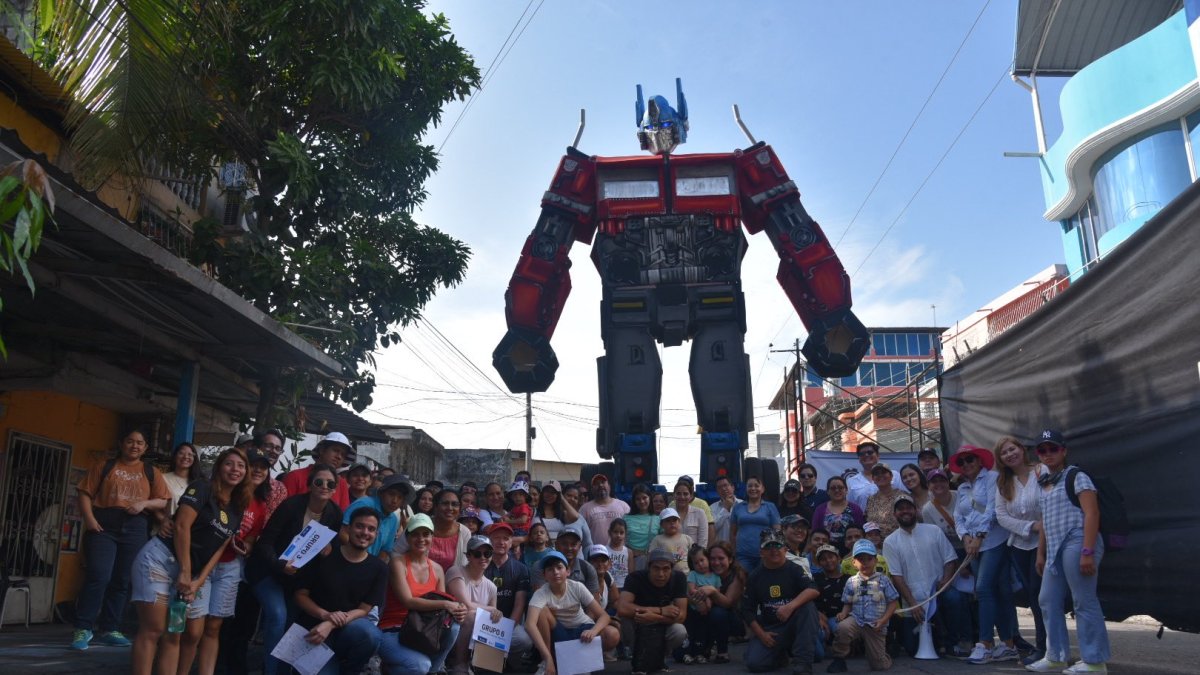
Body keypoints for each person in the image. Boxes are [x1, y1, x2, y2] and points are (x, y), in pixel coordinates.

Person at [130, 448, 248, 675]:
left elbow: (219, 548)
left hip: (191, 573)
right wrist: (185, 571)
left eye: (241, 466)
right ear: (218, 467)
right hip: (161, 561)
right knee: (153, 629)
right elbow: (182, 526)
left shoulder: (237, 507)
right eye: (229, 464)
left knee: (175, 632)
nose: (235, 470)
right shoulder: (202, 488)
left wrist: (197, 580)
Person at [72, 428, 171, 651]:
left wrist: (144, 504)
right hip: (104, 524)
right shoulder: (104, 466)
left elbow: (163, 500)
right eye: (130, 441)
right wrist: (89, 519)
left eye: (139, 443)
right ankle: (83, 627)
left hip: (136, 526)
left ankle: (110, 628)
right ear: (121, 444)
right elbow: (84, 492)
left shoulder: (150, 471)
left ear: (145, 447)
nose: (134, 446)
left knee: (122, 579)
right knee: (99, 575)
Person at [246, 464, 343, 675]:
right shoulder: (292, 506)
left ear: (335, 489)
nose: (324, 486)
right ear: (310, 485)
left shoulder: (335, 514)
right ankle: (271, 671)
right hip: (267, 572)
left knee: (291, 626)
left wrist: (329, 548)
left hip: (297, 580)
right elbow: (265, 543)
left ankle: (280, 669)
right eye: (319, 482)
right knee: (278, 616)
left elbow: (333, 547)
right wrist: (279, 564)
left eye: (330, 483)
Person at [1029, 429, 1111, 674]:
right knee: (1047, 599)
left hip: (1077, 541)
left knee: (1083, 600)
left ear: (1063, 451)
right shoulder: (1044, 482)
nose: (1048, 454)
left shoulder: (1077, 476)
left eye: (1053, 448)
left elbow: (1092, 513)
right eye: (1042, 450)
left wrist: (1087, 550)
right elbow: (1044, 521)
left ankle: (1095, 661)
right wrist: (1040, 553)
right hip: (1054, 547)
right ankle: (1055, 655)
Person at [294, 507, 386, 675]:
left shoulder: (379, 568)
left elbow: (364, 609)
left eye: (371, 529)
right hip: (315, 628)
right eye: (359, 526)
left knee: (371, 635)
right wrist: (324, 616)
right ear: (348, 528)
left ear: (377, 534)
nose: (365, 532)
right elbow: (300, 595)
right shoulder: (324, 555)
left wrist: (331, 622)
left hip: (348, 630)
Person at [951, 443, 1020, 665]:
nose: (966, 465)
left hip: (994, 541)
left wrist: (979, 536)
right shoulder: (962, 489)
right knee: (999, 591)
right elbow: (958, 517)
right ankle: (1009, 644)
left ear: (979, 461)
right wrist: (966, 538)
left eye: (970, 459)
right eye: (961, 462)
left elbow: (993, 509)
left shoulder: (992, 479)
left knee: (983, 589)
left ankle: (985, 643)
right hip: (973, 546)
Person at [207, 448, 271, 675]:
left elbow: (252, 537)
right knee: (211, 623)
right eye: (253, 465)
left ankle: (233, 666)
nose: (258, 471)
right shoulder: (226, 494)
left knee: (238, 622)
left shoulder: (261, 504)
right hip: (209, 562)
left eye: (263, 468)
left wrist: (246, 546)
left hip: (239, 566)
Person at [378, 514, 467, 675]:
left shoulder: (437, 569)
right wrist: (447, 604)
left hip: (422, 630)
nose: (421, 539)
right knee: (420, 666)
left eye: (426, 534)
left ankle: (431, 671)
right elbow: (408, 601)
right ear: (407, 537)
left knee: (454, 626)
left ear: (432, 537)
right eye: (415, 534)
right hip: (393, 630)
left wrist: (457, 612)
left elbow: (441, 611)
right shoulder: (398, 563)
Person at [882, 494, 966, 658]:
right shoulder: (890, 542)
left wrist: (946, 582)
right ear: (895, 514)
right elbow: (897, 576)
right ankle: (937, 642)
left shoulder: (933, 531)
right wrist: (913, 604)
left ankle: (955, 642)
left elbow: (950, 559)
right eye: (900, 509)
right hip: (913, 599)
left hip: (939, 593)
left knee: (954, 598)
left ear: (916, 510)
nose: (905, 511)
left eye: (908, 507)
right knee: (912, 648)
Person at [993, 435, 1048, 664]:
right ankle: (1043, 647)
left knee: (1042, 596)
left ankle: (1048, 647)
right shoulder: (1003, 483)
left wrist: (1041, 527)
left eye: (1012, 449)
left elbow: (1050, 501)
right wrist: (1029, 526)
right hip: (1020, 546)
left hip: (1046, 543)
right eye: (1004, 453)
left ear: (1022, 449)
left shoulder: (1041, 470)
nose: (1010, 454)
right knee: (1034, 597)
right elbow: (1002, 516)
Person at [742, 528, 820, 675]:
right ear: (761, 552)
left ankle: (802, 664)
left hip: (797, 626)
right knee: (754, 664)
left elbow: (813, 590)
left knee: (808, 608)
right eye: (768, 547)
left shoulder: (795, 569)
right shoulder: (754, 576)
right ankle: (780, 656)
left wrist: (790, 607)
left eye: (777, 546)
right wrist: (761, 635)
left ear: (785, 550)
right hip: (773, 628)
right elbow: (747, 610)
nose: (774, 550)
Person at [526, 551, 619, 675]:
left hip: (582, 631)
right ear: (544, 575)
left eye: (559, 567)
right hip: (559, 633)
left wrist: (593, 631)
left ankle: (586, 659)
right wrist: (547, 658)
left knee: (612, 634)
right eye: (550, 569)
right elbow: (529, 624)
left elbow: (604, 616)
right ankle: (547, 660)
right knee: (542, 611)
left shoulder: (577, 587)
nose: (555, 572)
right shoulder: (541, 593)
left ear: (567, 571)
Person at [826, 540, 899, 673]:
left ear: (876, 561)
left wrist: (883, 620)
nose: (865, 563)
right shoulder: (851, 581)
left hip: (876, 623)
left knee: (878, 666)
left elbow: (893, 602)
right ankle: (839, 658)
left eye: (869, 559)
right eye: (860, 559)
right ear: (854, 562)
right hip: (857, 619)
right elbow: (848, 601)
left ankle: (883, 657)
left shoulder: (883, 580)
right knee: (842, 627)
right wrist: (843, 613)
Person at [617, 548, 689, 674]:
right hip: (638, 622)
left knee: (679, 630)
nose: (661, 574)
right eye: (656, 568)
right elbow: (622, 608)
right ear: (649, 568)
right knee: (625, 621)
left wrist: (655, 617)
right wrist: (660, 610)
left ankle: (659, 657)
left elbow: (682, 616)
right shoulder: (635, 578)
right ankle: (637, 654)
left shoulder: (679, 578)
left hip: (662, 624)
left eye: (666, 569)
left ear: (671, 569)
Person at [446, 534, 501, 675]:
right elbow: (467, 606)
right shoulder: (456, 572)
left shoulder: (491, 586)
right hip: (448, 630)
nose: (483, 558)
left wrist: (496, 613)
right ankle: (459, 664)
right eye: (477, 554)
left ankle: (486, 665)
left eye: (487, 553)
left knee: (496, 622)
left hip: (476, 636)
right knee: (470, 615)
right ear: (468, 556)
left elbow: (493, 616)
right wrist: (492, 609)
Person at [483, 522, 535, 671]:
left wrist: (504, 632)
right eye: (496, 538)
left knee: (524, 640)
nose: (501, 542)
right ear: (489, 540)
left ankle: (510, 663)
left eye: (506, 538)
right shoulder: (480, 563)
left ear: (511, 542)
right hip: (483, 622)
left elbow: (519, 605)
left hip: (509, 623)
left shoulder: (520, 569)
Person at [343, 473, 411, 561]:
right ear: (382, 493)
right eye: (391, 494)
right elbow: (343, 533)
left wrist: (374, 567)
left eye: (400, 497)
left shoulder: (393, 519)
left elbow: (385, 550)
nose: (395, 500)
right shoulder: (363, 504)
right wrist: (359, 556)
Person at [280, 432, 354, 508]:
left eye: (343, 455)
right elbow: (282, 511)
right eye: (336, 450)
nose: (339, 457)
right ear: (322, 450)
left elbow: (343, 515)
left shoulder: (341, 484)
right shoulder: (295, 477)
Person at [730, 475, 781, 572]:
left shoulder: (770, 506)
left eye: (756, 486)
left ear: (762, 489)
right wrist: (733, 554)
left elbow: (777, 532)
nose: (753, 488)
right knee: (743, 583)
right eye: (750, 486)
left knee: (763, 584)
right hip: (742, 555)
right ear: (746, 488)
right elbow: (732, 533)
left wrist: (776, 554)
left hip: (766, 554)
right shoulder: (738, 507)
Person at [707, 541, 746, 664]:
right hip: (709, 613)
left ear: (730, 560)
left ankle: (722, 652)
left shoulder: (737, 575)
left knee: (718, 612)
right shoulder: (705, 572)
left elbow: (728, 603)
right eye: (712, 559)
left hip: (734, 620)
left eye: (721, 558)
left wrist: (712, 591)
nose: (716, 563)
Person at [533, 522, 600, 593]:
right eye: (564, 544)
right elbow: (541, 598)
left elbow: (595, 601)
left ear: (579, 547)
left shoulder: (587, 568)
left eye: (573, 544)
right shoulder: (540, 567)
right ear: (556, 545)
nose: (569, 548)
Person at [683, 545, 721, 664]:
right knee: (691, 633)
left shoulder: (715, 577)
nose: (700, 564)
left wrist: (710, 598)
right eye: (696, 562)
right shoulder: (693, 574)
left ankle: (700, 653)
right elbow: (691, 590)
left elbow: (717, 594)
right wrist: (706, 599)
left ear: (708, 559)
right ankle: (688, 654)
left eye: (702, 560)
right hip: (693, 611)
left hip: (707, 613)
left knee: (703, 633)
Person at [810, 545, 847, 662]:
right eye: (823, 559)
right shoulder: (814, 579)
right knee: (819, 637)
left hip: (841, 617)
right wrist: (818, 616)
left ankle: (836, 650)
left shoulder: (849, 579)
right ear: (819, 563)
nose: (828, 561)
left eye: (831, 557)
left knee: (838, 628)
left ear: (839, 558)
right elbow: (808, 601)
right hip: (819, 617)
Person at [845, 441, 904, 510]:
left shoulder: (895, 475)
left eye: (870, 452)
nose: (866, 455)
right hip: (864, 520)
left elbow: (903, 497)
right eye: (862, 454)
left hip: (894, 518)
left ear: (878, 455)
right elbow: (851, 506)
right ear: (859, 459)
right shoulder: (851, 482)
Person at [812, 476, 863, 554]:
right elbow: (815, 531)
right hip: (826, 552)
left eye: (840, 487)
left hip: (852, 551)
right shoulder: (820, 509)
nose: (837, 490)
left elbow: (861, 532)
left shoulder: (855, 509)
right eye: (833, 488)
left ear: (846, 490)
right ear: (828, 491)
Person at [578, 474, 630, 546]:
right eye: (596, 484)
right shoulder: (585, 509)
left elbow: (630, 531)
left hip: (620, 555)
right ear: (592, 489)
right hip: (596, 555)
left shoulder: (623, 506)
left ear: (609, 486)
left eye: (603, 482)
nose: (600, 485)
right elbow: (580, 533)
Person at [921, 469, 962, 551]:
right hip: (950, 550)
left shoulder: (960, 496)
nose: (938, 484)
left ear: (948, 483)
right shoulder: (927, 510)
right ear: (928, 486)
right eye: (934, 482)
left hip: (972, 545)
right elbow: (933, 538)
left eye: (942, 480)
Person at [625, 483, 662, 572]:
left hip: (653, 562)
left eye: (644, 498)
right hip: (631, 561)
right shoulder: (626, 518)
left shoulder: (658, 519)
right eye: (638, 499)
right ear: (634, 501)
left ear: (650, 498)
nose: (641, 501)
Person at [255, 429, 290, 518]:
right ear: (257, 447)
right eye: (269, 446)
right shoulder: (239, 476)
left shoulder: (279, 489)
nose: (273, 451)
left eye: (278, 449)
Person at [864, 463, 906, 538]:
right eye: (876, 474)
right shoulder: (870, 499)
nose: (880, 475)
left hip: (898, 542)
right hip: (876, 545)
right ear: (873, 479)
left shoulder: (902, 496)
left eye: (883, 472)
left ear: (891, 476)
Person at [163, 442, 202, 516]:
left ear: (194, 459)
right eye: (181, 453)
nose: (185, 457)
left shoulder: (199, 482)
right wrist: (163, 521)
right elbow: (156, 506)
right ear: (175, 456)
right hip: (167, 524)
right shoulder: (163, 478)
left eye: (190, 454)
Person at [649, 508, 693, 572]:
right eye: (668, 520)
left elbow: (693, 558)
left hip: (686, 575)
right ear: (661, 524)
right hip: (666, 576)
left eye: (674, 520)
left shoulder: (687, 539)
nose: (672, 523)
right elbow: (651, 558)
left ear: (679, 522)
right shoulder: (657, 540)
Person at [671, 479, 709, 549]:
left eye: (685, 494)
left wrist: (698, 557)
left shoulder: (700, 513)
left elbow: (703, 541)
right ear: (674, 495)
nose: (682, 497)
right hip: (672, 556)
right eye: (678, 493)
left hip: (694, 557)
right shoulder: (669, 513)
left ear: (691, 496)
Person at [710, 475, 742, 543]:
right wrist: (725, 508)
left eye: (726, 485)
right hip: (721, 549)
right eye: (720, 487)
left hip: (741, 546)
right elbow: (713, 528)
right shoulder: (712, 507)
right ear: (717, 491)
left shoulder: (743, 505)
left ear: (733, 487)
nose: (723, 489)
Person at [607, 518, 631, 589]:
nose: (618, 535)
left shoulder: (629, 552)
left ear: (625, 534)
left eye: (621, 532)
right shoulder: (605, 550)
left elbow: (631, 573)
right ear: (609, 533)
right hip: (609, 586)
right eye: (615, 532)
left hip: (624, 586)